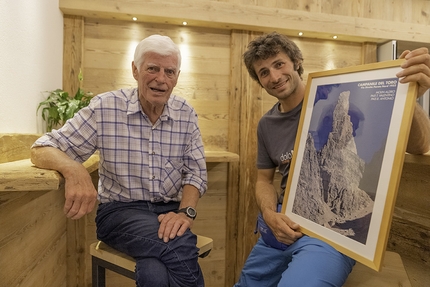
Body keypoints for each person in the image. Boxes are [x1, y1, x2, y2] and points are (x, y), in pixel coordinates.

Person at [234, 31, 430, 287]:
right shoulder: (267, 124)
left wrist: (409, 94)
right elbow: (263, 180)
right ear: (259, 81)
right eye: (264, 72)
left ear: (296, 62)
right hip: (282, 224)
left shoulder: (338, 97)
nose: (274, 77)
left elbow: (420, 146)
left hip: (331, 235)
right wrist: (270, 214)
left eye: (279, 64)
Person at [31, 34, 208, 287]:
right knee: (180, 244)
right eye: (152, 69)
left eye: (169, 71)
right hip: (119, 213)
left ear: (177, 77)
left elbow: (195, 173)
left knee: (154, 273)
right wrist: (74, 169)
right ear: (135, 70)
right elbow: (41, 148)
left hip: (168, 213)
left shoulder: (186, 113)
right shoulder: (105, 107)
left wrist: (185, 213)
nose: (161, 79)